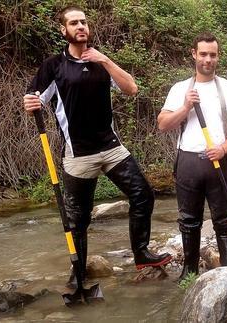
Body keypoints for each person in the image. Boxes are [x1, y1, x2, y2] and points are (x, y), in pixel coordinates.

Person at [22, 6, 171, 288]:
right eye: (74, 23)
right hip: (79, 154)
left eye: (84, 22)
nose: (81, 26)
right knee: (79, 219)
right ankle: (78, 274)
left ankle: (142, 254)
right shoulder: (54, 66)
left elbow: (131, 88)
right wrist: (30, 103)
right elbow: (34, 100)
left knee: (143, 195)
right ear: (63, 30)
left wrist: (106, 60)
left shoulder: (101, 62)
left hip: (112, 147)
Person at [157, 32, 227, 282]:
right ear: (194, 55)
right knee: (189, 220)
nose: (208, 59)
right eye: (203, 54)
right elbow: (163, 124)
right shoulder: (179, 90)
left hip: (221, 161)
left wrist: (224, 147)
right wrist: (185, 107)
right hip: (187, 163)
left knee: (225, 219)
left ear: (218, 57)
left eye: (213, 55)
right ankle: (190, 272)